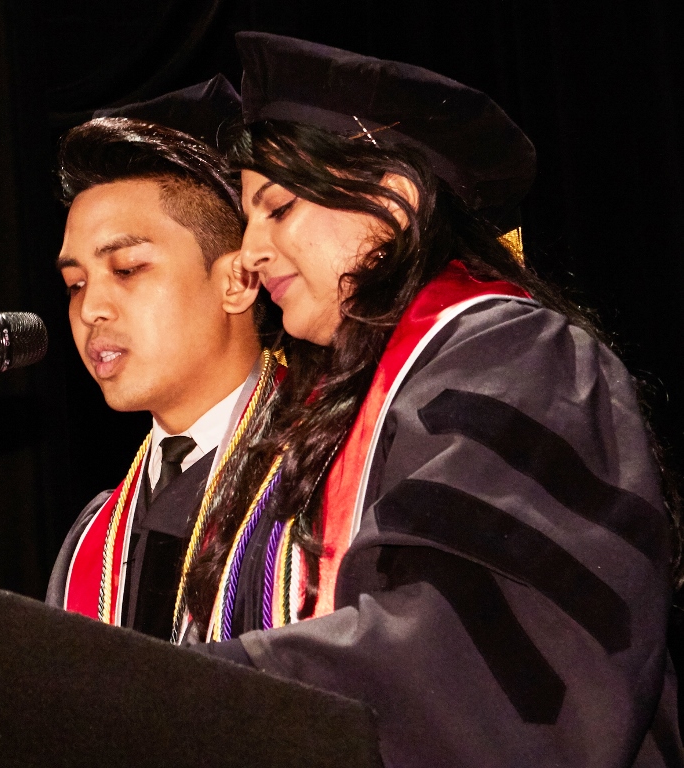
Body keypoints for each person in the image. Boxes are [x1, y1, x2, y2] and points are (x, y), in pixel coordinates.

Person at [178, 33, 684, 766]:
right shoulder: (317, 416)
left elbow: (485, 653)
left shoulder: (519, 358)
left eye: (278, 207)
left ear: (391, 201)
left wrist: (208, 697)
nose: (249, 251)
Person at [45, 78, 283, 642]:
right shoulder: (93, 546)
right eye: (76, 283)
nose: (91, 309)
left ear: (239, 281)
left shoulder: (325, 477)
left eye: (126, 269)